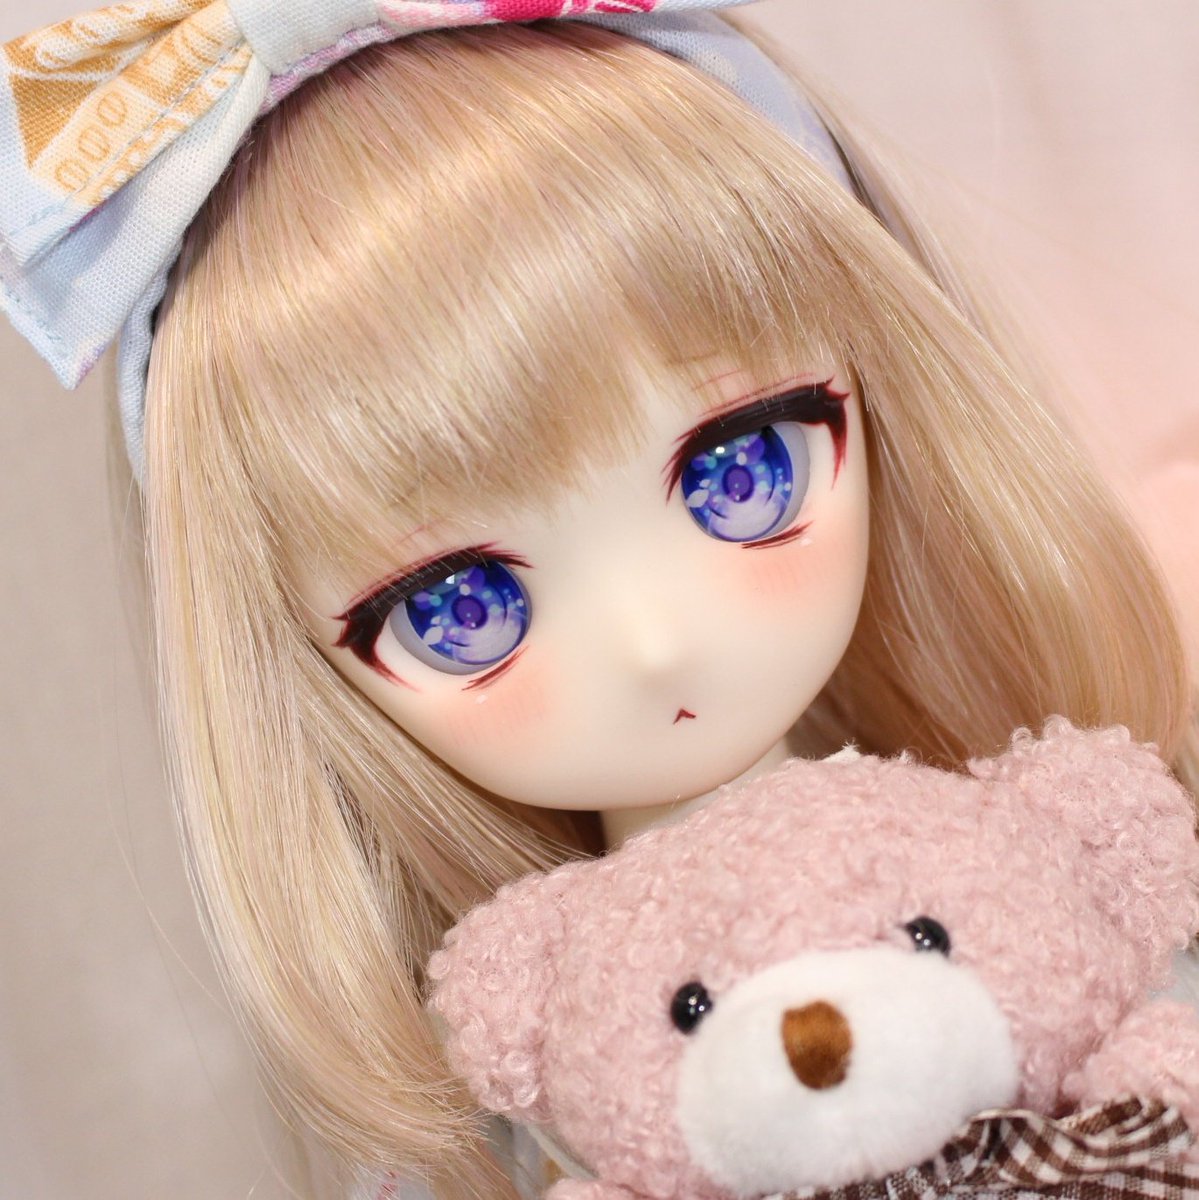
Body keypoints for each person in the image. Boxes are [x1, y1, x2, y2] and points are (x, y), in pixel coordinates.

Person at [2, 3, 1194, 1198]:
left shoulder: (1048, 889)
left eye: (740, 471)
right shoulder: (535, 1100)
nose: (652, 641)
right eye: (460, 607)